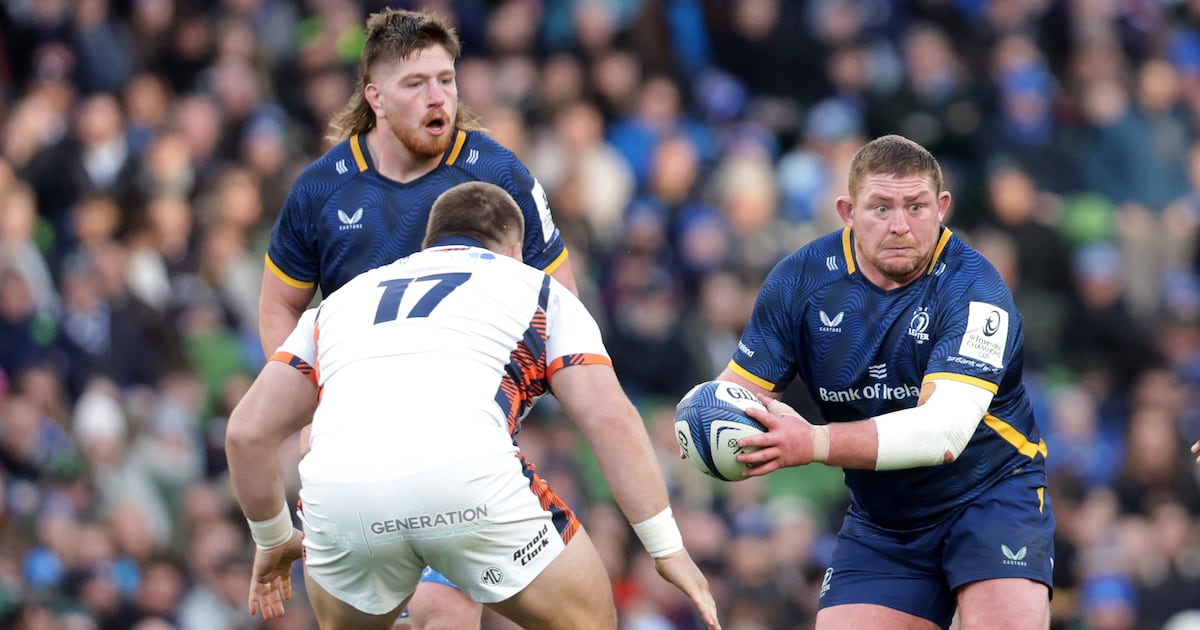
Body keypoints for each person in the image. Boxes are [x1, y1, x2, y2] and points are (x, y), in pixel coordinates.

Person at [228, 182, 721, 630]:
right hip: (467, 481)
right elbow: (609, 418)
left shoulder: (339, 303)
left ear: (429, 244)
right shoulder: (536, 288)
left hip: (341, 499)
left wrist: (272, 538)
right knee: (590, 621)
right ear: (513, 251)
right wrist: (666, 548)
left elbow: (247, 432)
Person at [256, 9, 578, 627]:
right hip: (351, 438)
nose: (439, 97)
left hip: (456, 437)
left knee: (442, 610)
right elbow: (279, 305)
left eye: (447, 79)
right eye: (416, 83)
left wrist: (499, 404)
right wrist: (310, 402)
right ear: (374, 96)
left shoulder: (497, 174)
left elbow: (558, 298)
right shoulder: (322, 191)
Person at [709, 135, 1053, 629]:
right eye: (880, 207)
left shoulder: (976, 289)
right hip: (884, 518)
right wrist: (705, 426)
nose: (900, 225)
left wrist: (814, 441)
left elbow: (944, 433)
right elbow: (737, 398)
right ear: (847, 210)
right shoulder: (798, 282)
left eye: (916, 207)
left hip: (991, 495)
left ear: (942, 207)